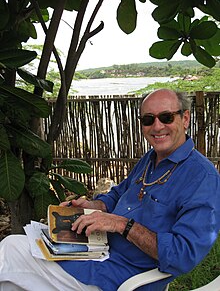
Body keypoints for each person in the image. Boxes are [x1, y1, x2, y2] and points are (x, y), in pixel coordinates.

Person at [0, 89, 219, 291]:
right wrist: (93, 206)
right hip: (95, 253)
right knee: (13, 258)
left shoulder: (202, 177)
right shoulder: (151, 159)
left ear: (186, 118)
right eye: (148, 119)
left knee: (9, 254)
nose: (157, 126)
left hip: (124, 276)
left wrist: (121, 224)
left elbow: (184, 256)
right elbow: (118, 193)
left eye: (166, 117)